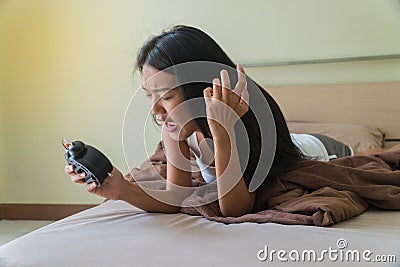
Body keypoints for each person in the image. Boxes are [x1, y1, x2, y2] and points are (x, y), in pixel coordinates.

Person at [65, 25, 351, 217]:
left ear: (199, 87)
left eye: (166, 96)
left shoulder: (244, 117)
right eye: (148, 95)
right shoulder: (174, 129)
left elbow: (235, 209)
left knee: (351, 151)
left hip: (322, 149)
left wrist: (223, 131)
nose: (155, 109)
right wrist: (121, 189)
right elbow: (175, 197)